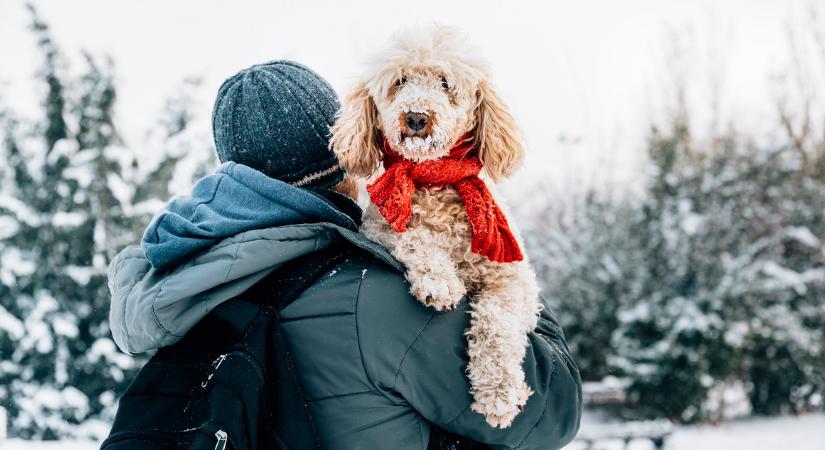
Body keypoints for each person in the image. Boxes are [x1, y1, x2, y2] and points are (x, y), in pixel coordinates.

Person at [107, 60, 582, 449]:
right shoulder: (382, 298)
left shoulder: (187, 287)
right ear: (347, 163)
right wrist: (494, 252)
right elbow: (553, 410)